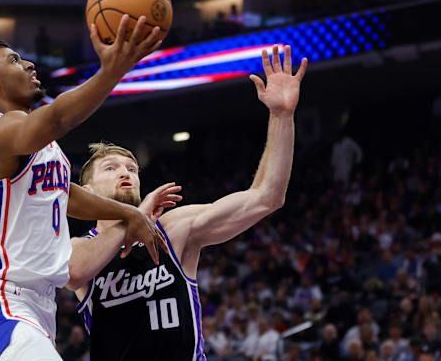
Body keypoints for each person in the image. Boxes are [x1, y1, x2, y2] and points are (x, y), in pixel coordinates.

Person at [0, 15, 166, 361]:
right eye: (13, 60)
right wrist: (111, 72)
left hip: (39, 303)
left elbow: (66, 194)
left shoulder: (37, 144)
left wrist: (127, 212)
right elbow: (56, 119)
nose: (28, 63)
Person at [73, 45, 307, 360]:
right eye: (111, 168)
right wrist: (136, 217)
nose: (125, 173)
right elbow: (75, 272)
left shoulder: (172, 228)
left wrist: (281, 115)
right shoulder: (79, 249)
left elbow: (267, 196)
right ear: (86, 191)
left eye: (132, 168)